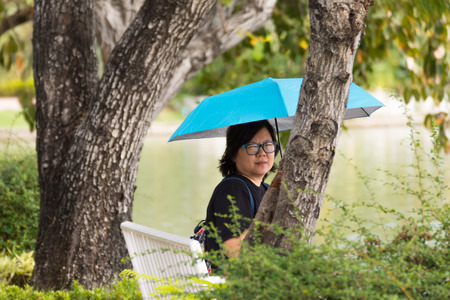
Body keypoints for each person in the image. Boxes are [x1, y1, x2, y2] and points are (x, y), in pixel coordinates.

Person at [205, 120, 279, 261]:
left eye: (268, 145)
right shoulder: (232, 189)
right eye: (252, 146)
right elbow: (232, 249)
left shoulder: (266, 189)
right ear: (233, 154)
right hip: (236, 279)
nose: (262, 153)